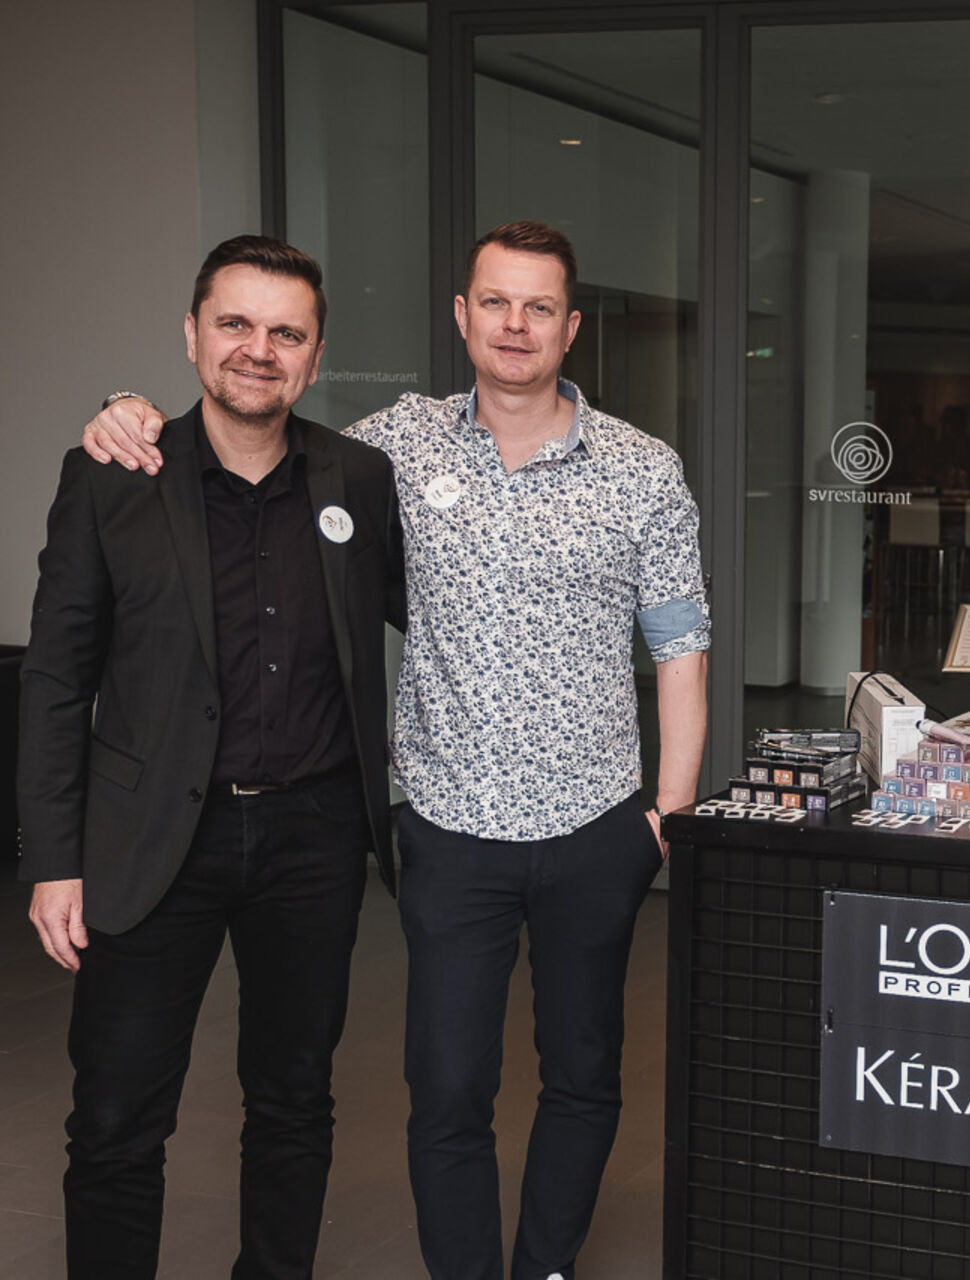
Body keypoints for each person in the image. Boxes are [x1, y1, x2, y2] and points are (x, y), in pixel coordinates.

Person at [80, 220, 712, 1280]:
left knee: (584, 1073)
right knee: (449, 1088)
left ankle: (547, 1265)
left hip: (598, 826)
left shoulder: (642, 469)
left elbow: (681, 648)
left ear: (571, 328)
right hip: (449, 830)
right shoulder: (388, 451)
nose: (515, 325)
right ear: (462, 316)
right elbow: (254, 430)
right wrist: (127, 407)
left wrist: (669, 816)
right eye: (495, 302)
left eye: (540, 307)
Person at [18, 236, 404, 1278]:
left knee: (294, 1100)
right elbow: (54, 677)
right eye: (235, 323)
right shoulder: (111, 475)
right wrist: (53, 858)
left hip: (312, 836)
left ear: (315, 355)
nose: (258, 349)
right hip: (150, 836)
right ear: (191, 334)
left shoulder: (361, 478)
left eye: (286, 332)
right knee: (115, 1116)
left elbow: (442, 618)